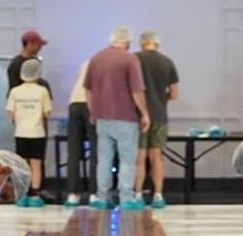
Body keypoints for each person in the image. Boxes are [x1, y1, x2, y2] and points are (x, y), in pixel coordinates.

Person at [84, 26, 151, 211]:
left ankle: (103, 197)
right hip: (126, 118)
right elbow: (137, 91)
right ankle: (126, 198)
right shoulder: (130, 59)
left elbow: (87, 89)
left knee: (103, 160)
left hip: (102, 118)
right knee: (127, 160)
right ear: (127, 41)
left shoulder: (96, 59)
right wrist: (144, 113)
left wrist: (93, 111)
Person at [135, 31, 179, 210]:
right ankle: (158, 195)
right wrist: (161, 100)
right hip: (160, 116)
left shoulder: (134, 60)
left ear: (142, 43)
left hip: (137, 116)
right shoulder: (167, 62)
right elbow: (174, 94)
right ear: (157, 43)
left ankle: (137, 194)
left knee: (139, 157)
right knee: (157, 156)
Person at [6, 58, 52, 207]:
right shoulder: (43, 91)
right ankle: (35, 194)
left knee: (22, 164)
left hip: (20, 132)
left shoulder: (15, 91)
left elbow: (10, 113)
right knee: (36, 164)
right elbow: (47, 113)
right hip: (37, 132)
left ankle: (22, 194)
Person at [64, 60, 96, 207]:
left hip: (74, 104)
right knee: (96, 151)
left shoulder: (84, 64)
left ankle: (72, 194)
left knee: (74, 152)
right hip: (91, 104)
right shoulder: (101, 63)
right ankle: (94, 194)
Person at [7, 30, 50, 96]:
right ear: (29, 44)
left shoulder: (36, 61)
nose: (40, 48)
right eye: (38, 45)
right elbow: (13, 89)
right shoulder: (15, 65)